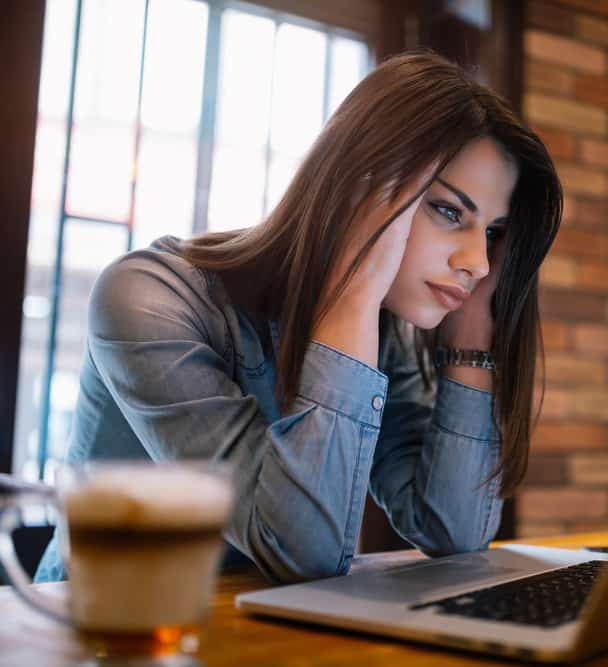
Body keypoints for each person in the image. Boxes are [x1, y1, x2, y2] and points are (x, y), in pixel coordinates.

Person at [34, 49, 563, 584]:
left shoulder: (384, 335)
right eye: (450, 212)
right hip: (92, 633)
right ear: (361, 187)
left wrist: (472, 330)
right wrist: (351, 297)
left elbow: (455, 532)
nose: (476, 262)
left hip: (250, 632)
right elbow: (301, 554)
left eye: (493, 233)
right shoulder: (149, 297)